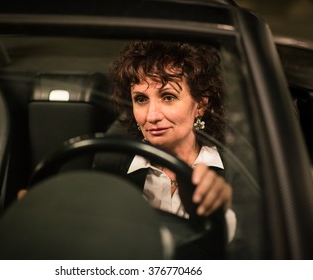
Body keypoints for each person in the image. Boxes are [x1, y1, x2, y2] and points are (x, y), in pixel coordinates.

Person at [94, 40, 236, 242]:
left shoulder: (237, 173)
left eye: (168, 97)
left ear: (201, 105)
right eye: (141, 99)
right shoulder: (110, 165)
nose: (151, 116)